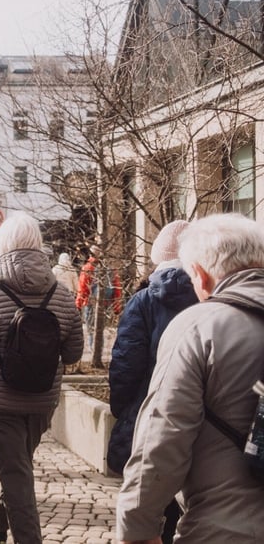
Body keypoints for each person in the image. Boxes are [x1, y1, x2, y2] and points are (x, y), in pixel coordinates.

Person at [116, 214, 264, 544]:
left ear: (199, 273)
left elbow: (164, 434)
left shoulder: (199, 326)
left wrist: (138, 526)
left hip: (225, 528)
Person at [0, 213, 83, 544]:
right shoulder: (62, 294)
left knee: (17, 474)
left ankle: (2, 523)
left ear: (2, 246)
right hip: (42, 401)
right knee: (18, 472)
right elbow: (74, 353)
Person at [108, 220, 194, 544]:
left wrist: (124, 411)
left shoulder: (142, 301)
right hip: (198, 423)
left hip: (150, 418)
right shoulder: (210, 296)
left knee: (147, 510)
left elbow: (125, 366)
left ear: (157, 257)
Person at [75, 244, 122, 349]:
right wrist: (117, 307)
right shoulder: (109, 269)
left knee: (91, 329)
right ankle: (98, 350)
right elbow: (117, 288)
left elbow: (82, 289)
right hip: (105, 303)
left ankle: (94, 351)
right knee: (100, 327)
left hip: (90, 303)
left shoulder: (87, 268)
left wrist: (78, 305)